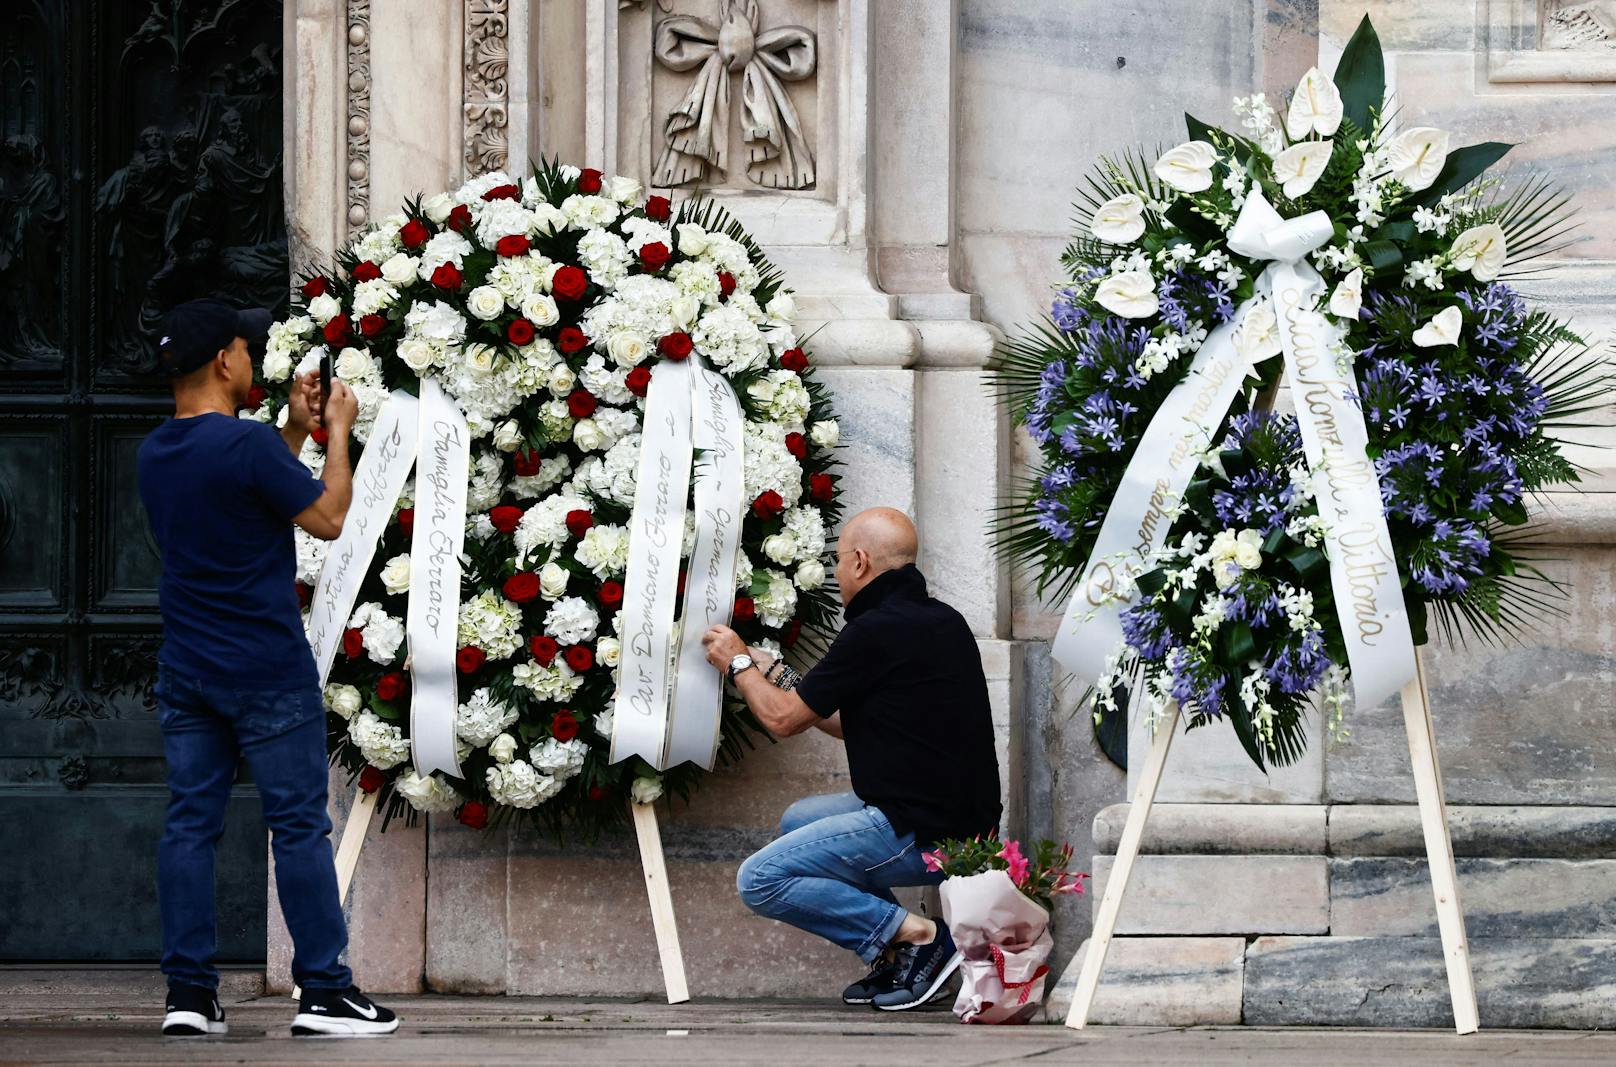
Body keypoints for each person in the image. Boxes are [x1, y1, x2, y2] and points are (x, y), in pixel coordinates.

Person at [137, 298, 398, 1037]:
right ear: (225, 360)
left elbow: (245, 487)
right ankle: (325, 989)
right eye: (247, 348)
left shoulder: (156, 450)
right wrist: (337, 434)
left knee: (191, 824)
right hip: (266, 668)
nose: (253, 359)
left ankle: (189, 994)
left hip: (188, 668)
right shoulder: (245, 448)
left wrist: (291, 428)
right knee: (297, 826)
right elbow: (328, 516)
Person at [701, 508, 1002, 1011]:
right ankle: (901, 953)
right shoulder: (941, 620)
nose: (837, 573)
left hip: (923, 831)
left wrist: (736, 662)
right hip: (963, 824)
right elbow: (846, 722)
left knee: (760, 879)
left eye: (838, 561)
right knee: (798, 819)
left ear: (860, 562)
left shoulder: (874, 631)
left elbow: (781, 721)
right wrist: (776, 676)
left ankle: (922, 937)